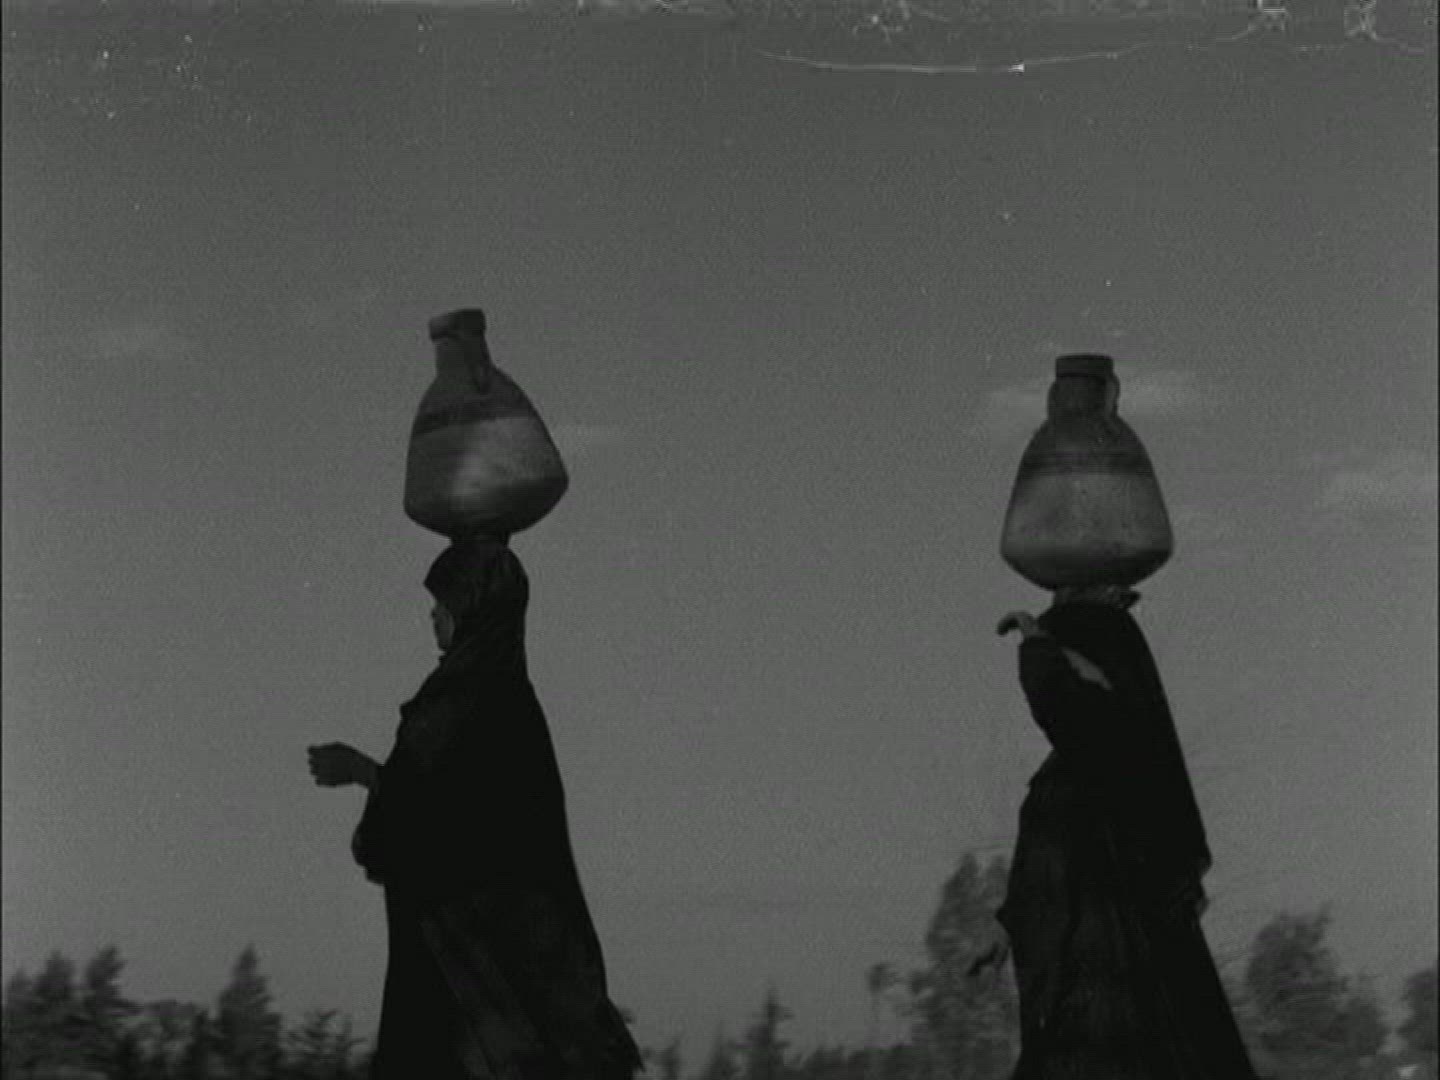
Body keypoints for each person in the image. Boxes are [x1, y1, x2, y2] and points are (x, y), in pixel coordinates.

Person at [307, 533, 643, 1080]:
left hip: (466, 979)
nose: (433, 614)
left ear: (472, 609)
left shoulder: (460, 701)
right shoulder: (509, 699)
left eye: (445, 601)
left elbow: (431, 822)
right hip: (502, 974)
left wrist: (364, 773)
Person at [993, 584, 1258, 1080]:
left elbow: (1066, 706)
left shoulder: (1103, 772)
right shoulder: (1092, 778)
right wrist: (1006, 923)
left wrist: (1037, 643)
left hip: (1103, 1003)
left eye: (1077, 663)